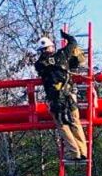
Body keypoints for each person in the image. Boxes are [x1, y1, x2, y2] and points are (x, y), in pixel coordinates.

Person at [34, 30, 89, 159]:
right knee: (75, 121)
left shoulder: (39, 64)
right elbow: (73, 42)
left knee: (62, 125)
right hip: (69, 95)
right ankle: (83, 151)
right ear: (51, 47)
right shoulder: (62, 55)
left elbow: (43, 68)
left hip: (55, 99)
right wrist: (66, 36)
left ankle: (74, 152)